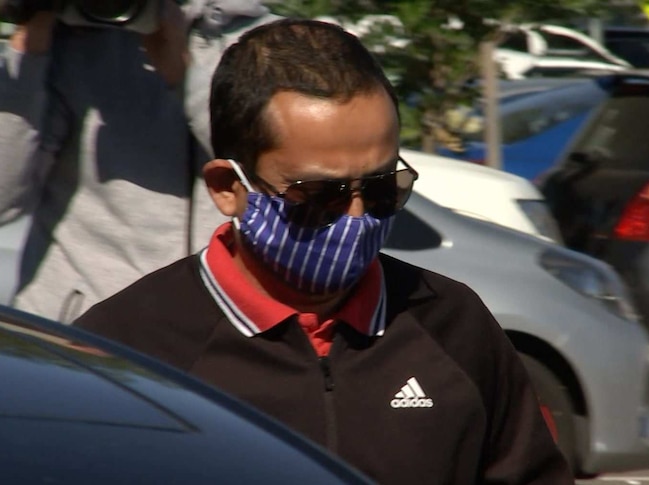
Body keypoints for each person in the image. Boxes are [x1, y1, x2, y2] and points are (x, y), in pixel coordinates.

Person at [74, 18, 573, 485]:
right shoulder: (126, 352)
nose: (357, 219)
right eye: (320, 197)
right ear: (229, 187)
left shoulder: (453, 325)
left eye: (381, 189)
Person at [0, 0, 280, 322]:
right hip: (80, 336)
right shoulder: (76, 36)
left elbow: (279, 179)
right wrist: (29, 35)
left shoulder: (274, 46)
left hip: (218, 341)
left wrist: (186, 77)